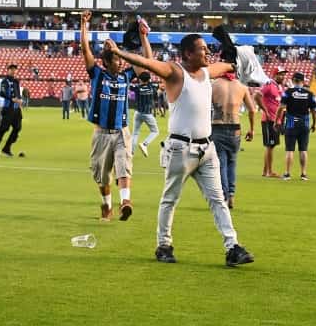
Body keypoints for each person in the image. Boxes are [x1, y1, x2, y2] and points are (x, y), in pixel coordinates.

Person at [104, 30, 254, 267]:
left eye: (206, 48)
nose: (207, 52)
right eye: (202, 49)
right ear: (187, 53)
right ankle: (163, 245)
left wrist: (232, 51)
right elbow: (147, 63)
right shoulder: (175, 72)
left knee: (218, 200)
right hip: (180, 148)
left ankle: (232, 246)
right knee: (170, 199)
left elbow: (228, 66)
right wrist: (118, 52)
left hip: (207, 149)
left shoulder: (206, 72)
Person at [79, 10, 143, 221]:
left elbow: (142, 63)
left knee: (124, 166)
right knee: (103, 176)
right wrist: (84, 25)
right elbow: (85, 49)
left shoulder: (126, 75)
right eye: (116, 59)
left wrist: (125, 47)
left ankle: (126, 201)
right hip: (101, 134)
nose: (120, 62)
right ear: (106, 62)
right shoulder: (97, 74)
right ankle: (107, 206)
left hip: (121, 132)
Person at [211, 70, 256, 209]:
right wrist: (252, 129)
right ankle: (231, 194)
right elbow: (252, 110)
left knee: (222, 164)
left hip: (218, 126)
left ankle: (224, 196)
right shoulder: (241, 86)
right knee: (232, 163)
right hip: (235, 128)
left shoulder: (214, 85)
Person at [275, 72, 316, 181]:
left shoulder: (288, 92)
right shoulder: (310, 94)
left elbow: (281, 107)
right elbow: (314, 111)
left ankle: (287, 173)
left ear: (293, 80)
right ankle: (303, 174)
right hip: (304, 123)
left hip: (291, 123)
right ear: (303, 81)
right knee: (303, 150)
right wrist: (314, 124)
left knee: (289, 150)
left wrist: (276, 121)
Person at [257, 67, 284, 178]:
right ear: (275, 75)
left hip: (276, 121)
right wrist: (265, 111)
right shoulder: (269, 85)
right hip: (268, 120)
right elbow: (257, 96)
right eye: (280, 74)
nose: (283, 76)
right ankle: (269, 171)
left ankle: (266, 171)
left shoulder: (280, 87)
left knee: (271, 146)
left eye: (283, 74)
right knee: (270, 145)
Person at [0, 63, 22, 157]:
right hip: (8, 109)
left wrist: (19, 100)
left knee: (17, 128)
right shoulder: (5, 81)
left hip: (16, 110)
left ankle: (7, 148)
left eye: (15, 69)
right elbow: (2, 93)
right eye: (12, 69)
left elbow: (17, 93)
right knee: (3, 130)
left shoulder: (16, 81)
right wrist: (11, 98)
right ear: (8, 70)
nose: (13, 71)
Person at [131, 72, 162, 157]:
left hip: (138, 113)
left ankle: (131, 152)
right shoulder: (152, 86)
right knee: (155, 131)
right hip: (148, 114)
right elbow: (161, 86)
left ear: (140, 79)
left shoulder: (137, 87)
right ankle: (144, 144)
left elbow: (129, 85)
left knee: (135, 133)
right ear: (149, 79)